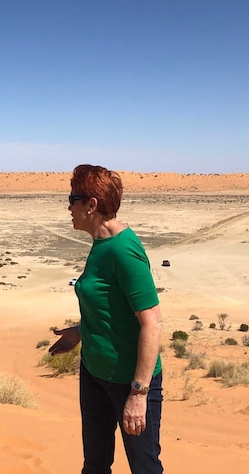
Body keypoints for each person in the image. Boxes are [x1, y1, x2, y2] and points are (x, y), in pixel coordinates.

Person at [50, 164, 164, 474]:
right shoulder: (101, 243)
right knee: (95, 465)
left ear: (91, 205)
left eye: (72, 199)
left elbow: (152, 322)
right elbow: (111, 308)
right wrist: (81, 331)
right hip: (94, 372)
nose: (68, 207)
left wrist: (139, 394)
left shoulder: (122, 250)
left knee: (145, 468)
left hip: (129, 381)